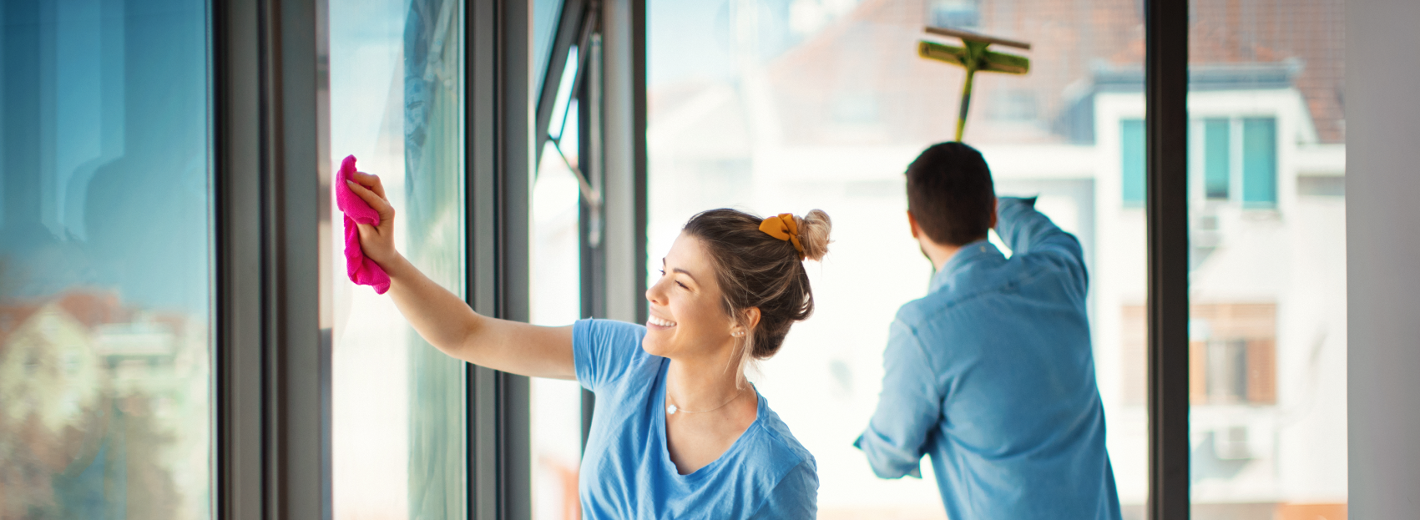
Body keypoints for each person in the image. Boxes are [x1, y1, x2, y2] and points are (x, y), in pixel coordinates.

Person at [345, 173, 824, 519]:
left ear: (742, 320)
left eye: (682, 284)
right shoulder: (621, 357)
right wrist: (388, 262)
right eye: (662, 272)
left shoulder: (777, 473)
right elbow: (469, 334)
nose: (653, 294)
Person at [855, 142, 1122, 519]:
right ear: (992, 208)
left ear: (913, 224)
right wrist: (1003, 210)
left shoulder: (922, 331)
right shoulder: (1059, 274)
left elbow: (887, 457)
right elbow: (1045, 234)